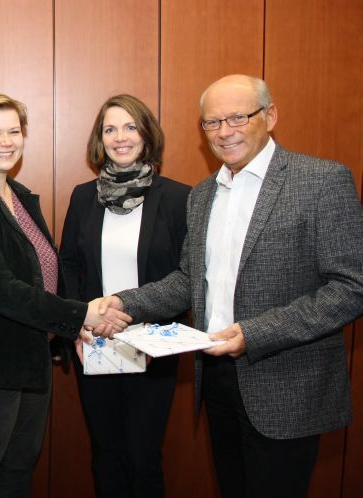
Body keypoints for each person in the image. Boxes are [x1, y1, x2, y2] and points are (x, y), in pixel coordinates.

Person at [98, 75, 363, 498]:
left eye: (238, 117)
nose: (225, 131)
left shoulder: (321, 181)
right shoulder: (203, 195)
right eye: (212, 122)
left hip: (286, 386)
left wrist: (255, 334)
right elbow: (188, 281)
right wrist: (120, 302)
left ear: (270, 116)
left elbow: (351, 287)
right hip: (216, 378)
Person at [0, 92, 132, 498]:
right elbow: (0, 290)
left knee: (17, 471)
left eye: (14, 131)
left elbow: (46, 274)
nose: (6, 141)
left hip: (29, 363)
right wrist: (81, 315)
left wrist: (70, 329)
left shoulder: (19, 196)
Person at [60, 94, 189, 498]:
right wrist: (80, 324)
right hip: (94, 343)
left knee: (144, 456)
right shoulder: (83, 196)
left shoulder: (177, 197)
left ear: (147, 134)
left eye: (130, 127)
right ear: (100, 139)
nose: (120, 137)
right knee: (106, 452)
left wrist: (133, 317)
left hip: (153, 345)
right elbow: (68, 265)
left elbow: (187, 276)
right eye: (110, 129)